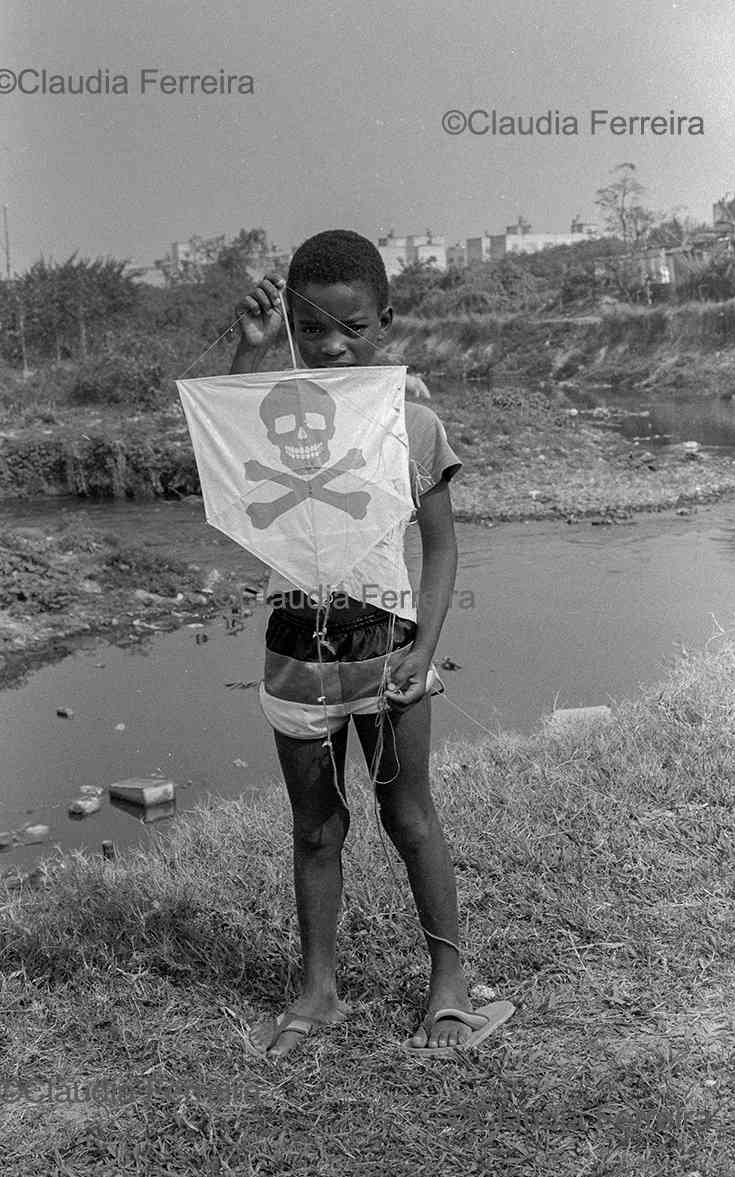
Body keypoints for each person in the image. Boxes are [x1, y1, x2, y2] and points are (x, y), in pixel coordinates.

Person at [230, 229, 484, 1058]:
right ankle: (318, 990)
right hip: (295, 649)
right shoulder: (274, 416)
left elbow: (441, 549)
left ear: (386, 320)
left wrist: (425, 646)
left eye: (356, 328)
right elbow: (230, 446)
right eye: (315, 332)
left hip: (389, 644)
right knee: (315, 828)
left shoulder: (412, 425)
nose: (335, 346)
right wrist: (251, 349)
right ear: (295, 330)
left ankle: (448, 984)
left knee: (409, 816)